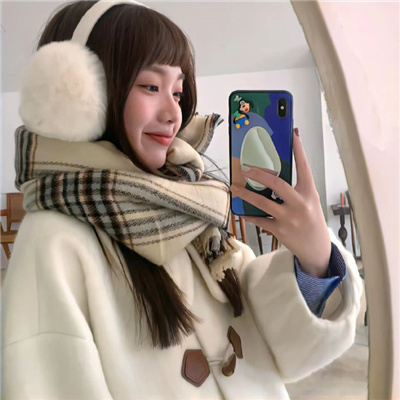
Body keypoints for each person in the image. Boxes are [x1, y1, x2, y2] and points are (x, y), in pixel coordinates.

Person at [2, 1, 363, 399]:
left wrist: (314, 262)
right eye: (151, 87)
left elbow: (271, 335)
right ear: (80, 97)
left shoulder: (186, 204)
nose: (174, 112)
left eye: (177, 92)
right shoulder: (53, 243)